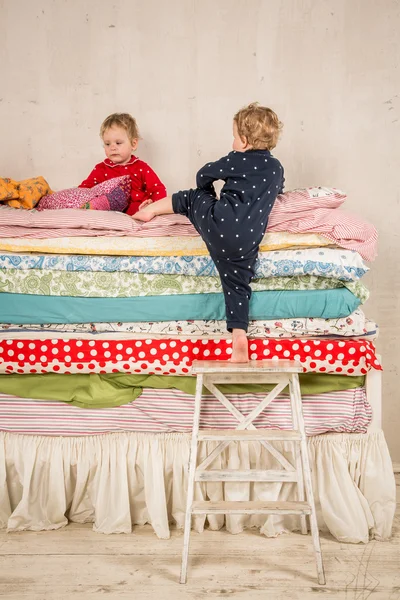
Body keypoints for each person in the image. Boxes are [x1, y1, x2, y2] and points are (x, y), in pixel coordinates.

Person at [134, 103, 284, 362]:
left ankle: (150, 212)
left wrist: (207, 192)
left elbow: (202, 174)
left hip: (219, 223)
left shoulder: (236, 159)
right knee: (238, 284)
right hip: (246, 239)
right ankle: (239, 335)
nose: (233, 141)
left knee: (191, 198)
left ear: (245, 141)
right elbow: (279, 189)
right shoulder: (276, 168)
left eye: (235, 136)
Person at [79, 113, 167, 215]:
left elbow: (157, 189)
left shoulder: (141, 168)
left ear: (133, 144)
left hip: (137, 210)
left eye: (118, 143)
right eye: (107, 144)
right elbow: (85, 189)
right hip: (110, 211)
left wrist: (154, 205)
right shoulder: (101, 169)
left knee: (142, 208)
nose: (112, 147)